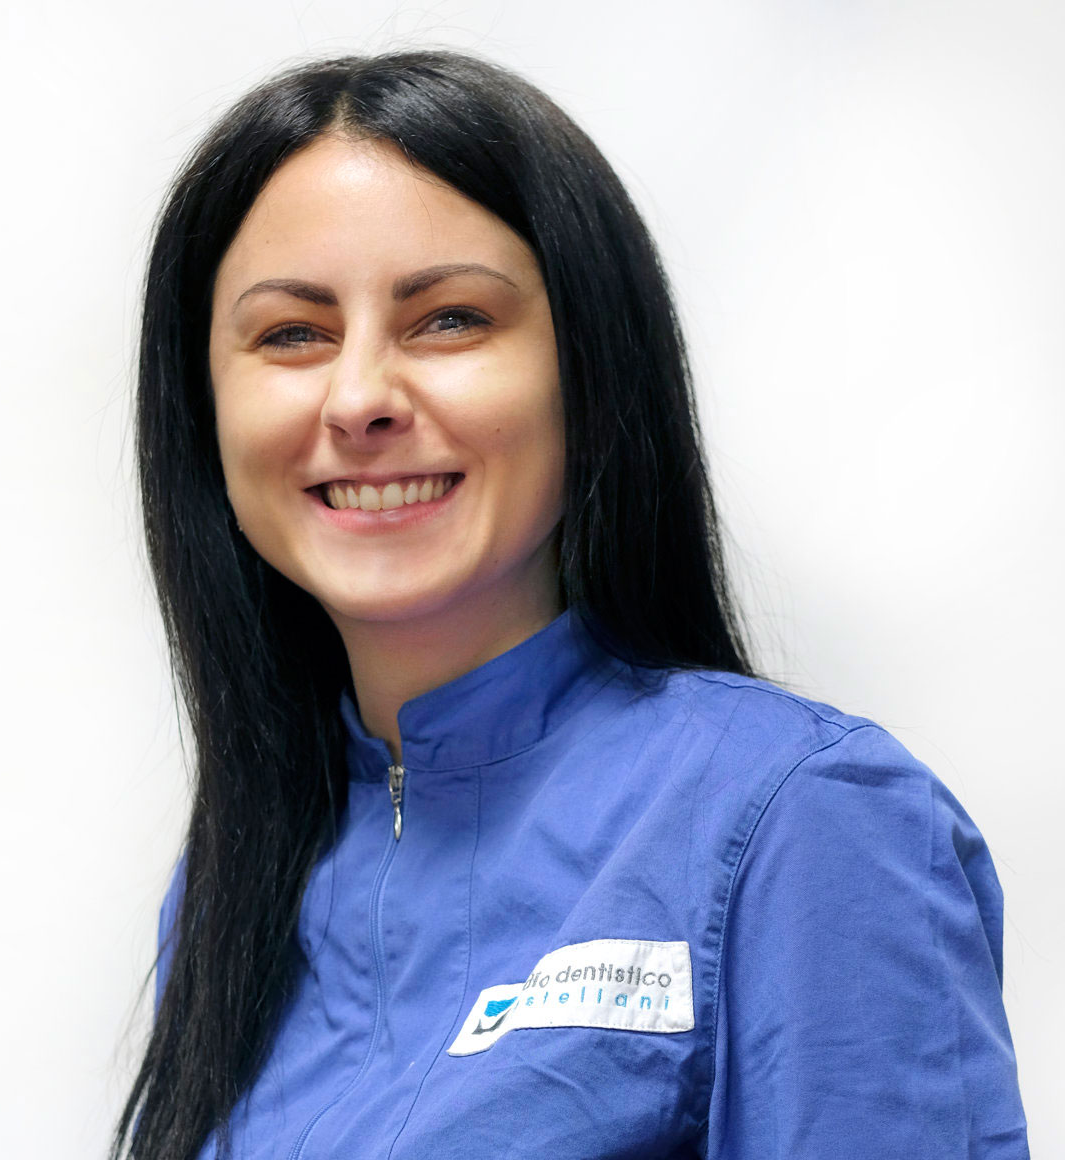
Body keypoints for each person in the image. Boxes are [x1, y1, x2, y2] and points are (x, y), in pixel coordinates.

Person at [112, 49, 1029, 1160]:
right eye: (292, 334)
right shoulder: (230, 895)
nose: (358, 399)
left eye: (449, 319)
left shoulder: (800, 821)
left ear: (590, 364)